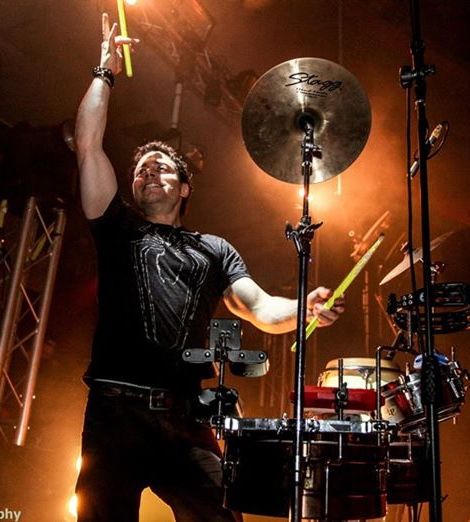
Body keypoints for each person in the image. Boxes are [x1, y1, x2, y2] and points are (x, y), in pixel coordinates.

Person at [74, 13, 345, 522]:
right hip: (115, 412)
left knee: (222, 515)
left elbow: (259, 308)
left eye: (161, 166)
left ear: (184, 187)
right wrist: (104, 70)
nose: (148, 171)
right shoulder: (118, 228)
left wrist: (304, 307)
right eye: (141, 169)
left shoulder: (214, 249)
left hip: (185, 415)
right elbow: (89, 145)